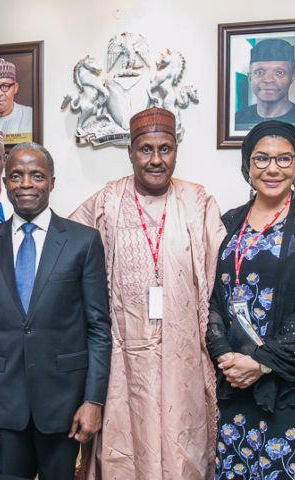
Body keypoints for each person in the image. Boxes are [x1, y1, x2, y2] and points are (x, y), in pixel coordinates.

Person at [70, 107, 226, 480]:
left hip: (183, 359)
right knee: (123, 453)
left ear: (175, 150)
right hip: (122, 364)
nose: (156, 159)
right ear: (130, 152)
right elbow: (65, 256)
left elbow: (223, 282)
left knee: (181, 451)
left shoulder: (198, 202)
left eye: (166, 148)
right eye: (146, 149)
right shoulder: (106, 202)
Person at [0, 142, 111, 480]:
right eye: (16, 176)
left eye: (37, 176)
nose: (26, 184)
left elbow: (98, 329)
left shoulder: (83, 241)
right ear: (5, 184)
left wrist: (93, 401)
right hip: (3, 403)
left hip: (65, 403)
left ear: (52, 182)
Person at [206, 120, 295, 479]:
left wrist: (262, 362)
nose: (272, 169)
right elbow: (212, 299)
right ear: (247, 165)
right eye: (261, 158)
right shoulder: (229, 222)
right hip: (236, 385)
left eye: (284, 159)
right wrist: (225, 356)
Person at [234, 38, 295, 131]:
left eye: (279, 72)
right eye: (259, 72)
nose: (268, 80)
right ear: (250, 77)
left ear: (292, 76)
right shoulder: (237, 120)